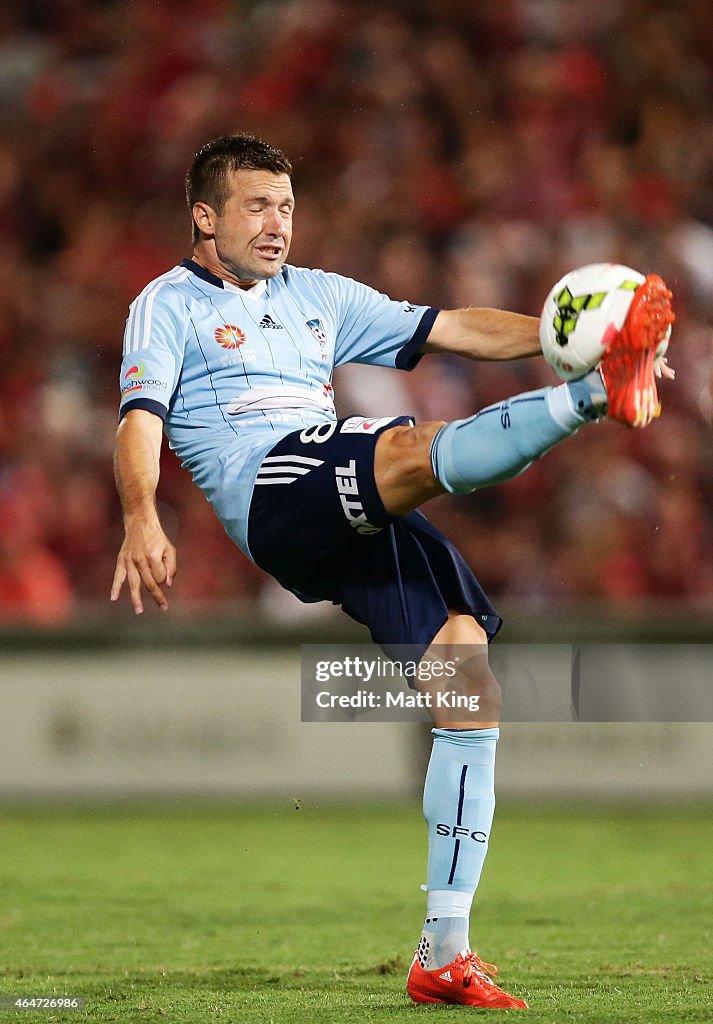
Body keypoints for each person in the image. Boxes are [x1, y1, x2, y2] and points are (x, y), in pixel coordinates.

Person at [110, 134, 674, 1009]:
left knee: (466, 676)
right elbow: (139, 420)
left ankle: (442, 952)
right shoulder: (167, 305)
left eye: (287, 206)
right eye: (256, 206)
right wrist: (140, 515)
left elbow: (453, 330)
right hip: (273, 487)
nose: (276, 224)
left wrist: (580, 339)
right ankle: (595, 400)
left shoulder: (318, 295)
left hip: (338, 500)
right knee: (405, 447)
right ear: (204, 214)